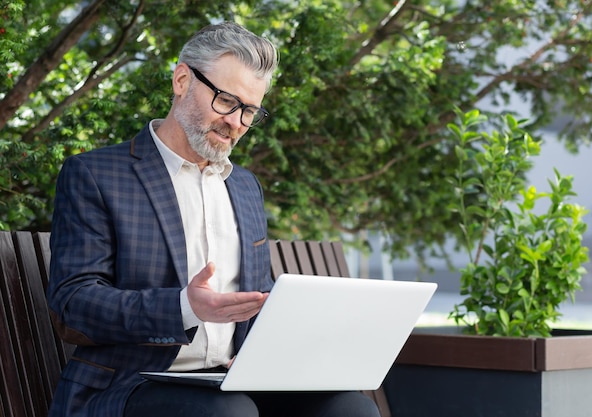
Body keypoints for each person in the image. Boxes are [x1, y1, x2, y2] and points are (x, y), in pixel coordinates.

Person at [46, 21, 381, 417]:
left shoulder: (244, 186)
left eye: (250, 111)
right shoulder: (97, 175)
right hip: (130, 383)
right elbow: (73, 304)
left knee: (351, 409)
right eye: (227, 101)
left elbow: (256, 296)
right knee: (229, 412)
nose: (237, 122)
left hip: (229, 380)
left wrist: (277, 348)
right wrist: (185, 306)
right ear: (182, 80)